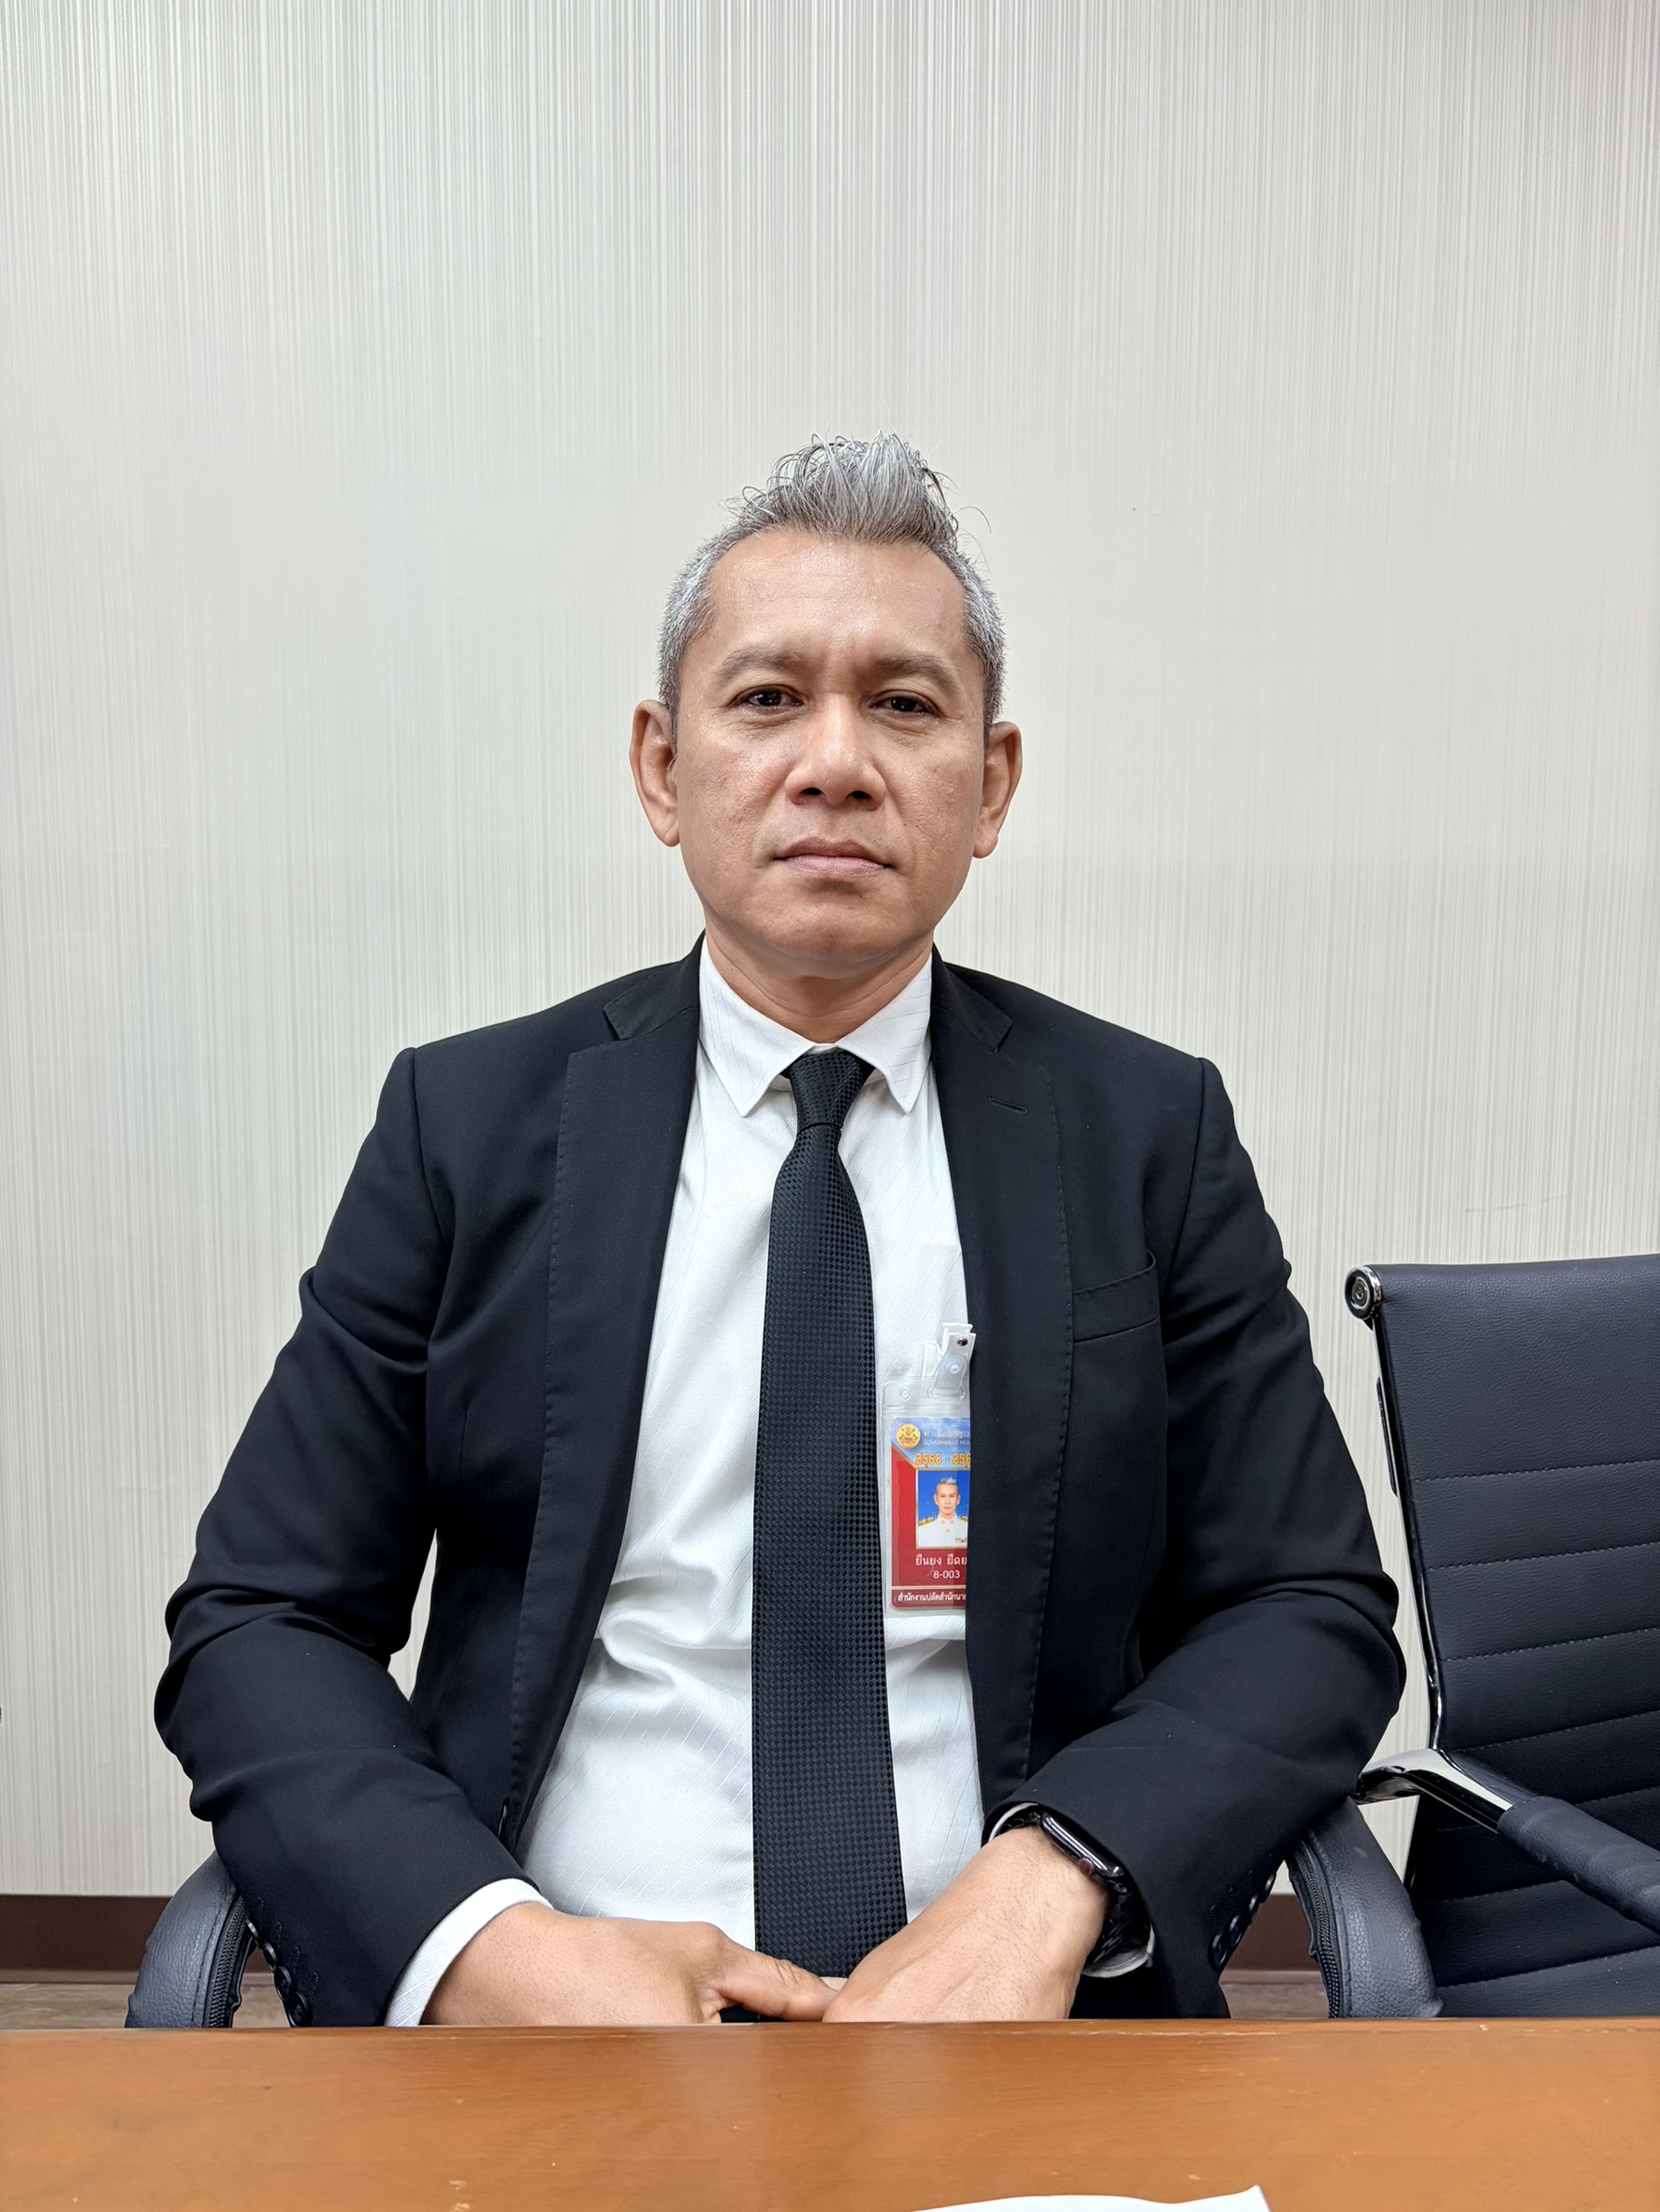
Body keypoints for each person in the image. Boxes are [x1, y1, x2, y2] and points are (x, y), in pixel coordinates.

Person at [158, 434, 1402, 2030]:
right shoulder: (464, 1126)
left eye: (902, 704)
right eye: (765, 699)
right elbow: (261, 1616)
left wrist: (1055, 1875)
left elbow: (1303, 1604)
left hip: (1011, 2026)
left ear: (989, 783)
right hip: (556, 2016)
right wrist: (491, 1950)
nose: (835, 763)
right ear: (660, 767)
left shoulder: (1142, 1133)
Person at [916, 1476, 968, 1547]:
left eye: (951, 1496)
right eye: (943, 1496)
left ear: (958, 1499)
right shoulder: (922, 1530)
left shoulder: (966, 1526)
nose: (947, 1502)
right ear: (936, 1499)